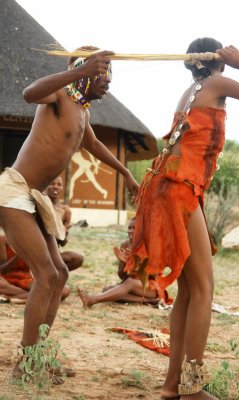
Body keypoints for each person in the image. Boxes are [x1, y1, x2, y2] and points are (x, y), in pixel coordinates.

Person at [125, 38, 239, 400]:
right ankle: (191, 388)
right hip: (177, 188)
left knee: (188, 292)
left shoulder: (191, 89)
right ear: (218, 60)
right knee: (204, 289)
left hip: (165, 186)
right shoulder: (216, 83)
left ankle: (173, 387)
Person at [0, 45, 139, 379]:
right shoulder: (59, 96)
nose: (107, 82)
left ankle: (39, 354)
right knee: (47, 275)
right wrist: (79, 70)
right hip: (14, 190)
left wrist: (127, 173)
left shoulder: (82, 112)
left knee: (59, 273)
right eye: (102, 74)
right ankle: (25, 364)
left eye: (109, 75)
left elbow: (93, 145)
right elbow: (29, 92)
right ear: (86, 71)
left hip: (36, 198)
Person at [78, 217, 172, 306]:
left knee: (129, 283)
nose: (130, 231)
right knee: (107, 289)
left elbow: (154, 276)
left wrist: (138, 264)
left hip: (152, 287)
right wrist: (124, 263)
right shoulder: (125, 245)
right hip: (133, 285)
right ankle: (149, 301)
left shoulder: (152, 245)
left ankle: (92, 300)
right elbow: (122, 276)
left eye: (134, 228)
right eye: (129, 228)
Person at [46, 176, 84, 271]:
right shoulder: (37, 205)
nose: (56, 187)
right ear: (45, 185)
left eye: (59, 185)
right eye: (52, 183)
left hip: (53, 254)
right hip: (35, 253)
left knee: (78, 258)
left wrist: (64, 231)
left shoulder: (65, 210)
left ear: (62, 188)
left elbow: (63, 243)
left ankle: (55, 278)